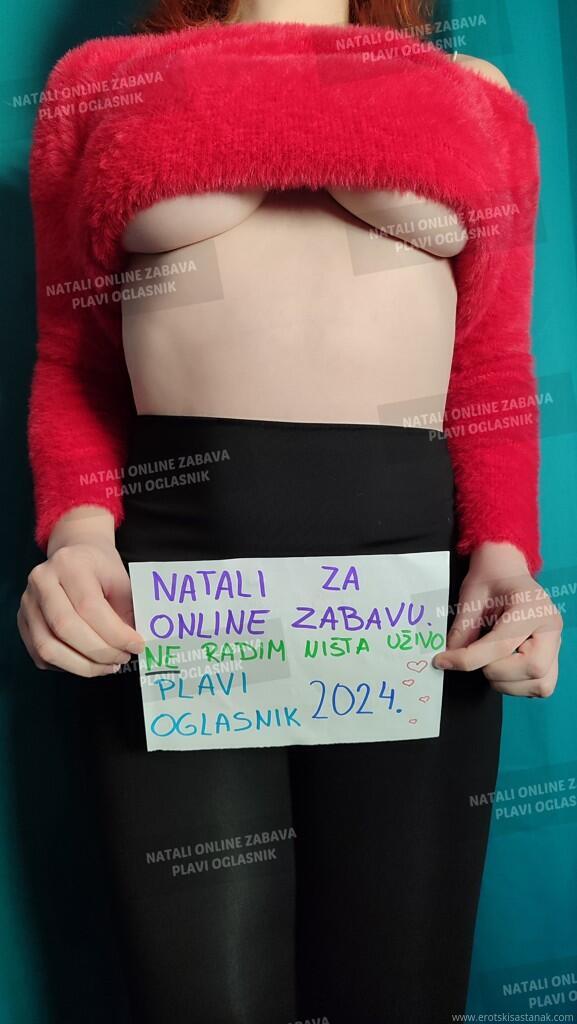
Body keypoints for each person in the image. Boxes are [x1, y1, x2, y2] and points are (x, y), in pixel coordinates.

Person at [19, 1, 563, 1021]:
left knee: (398, 995)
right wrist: (78, 535)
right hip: (174, 603)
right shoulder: (99, 81)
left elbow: (490, 358)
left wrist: (506, 554)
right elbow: (73, 356)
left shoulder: (476, 91)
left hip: (413, 608)